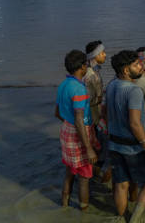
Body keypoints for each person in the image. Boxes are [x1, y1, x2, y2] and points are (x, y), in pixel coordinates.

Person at [106, 50, 145, 222]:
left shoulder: (112, 85)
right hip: (132, 146)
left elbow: (103, 112)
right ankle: (135, 219)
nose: (141, 66)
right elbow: (135, 124)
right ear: (126, 70)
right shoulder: (134, 91)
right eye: (136, 65)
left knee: (122, 184)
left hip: (114, 143)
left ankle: (121, 217)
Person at [54, 50, 99, 210]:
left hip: (66, 129)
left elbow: (57, 113)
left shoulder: (63, 85)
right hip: (78, 132)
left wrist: (70, 123)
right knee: (84, 177)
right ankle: (84, 211)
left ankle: (64, 206)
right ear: (82, 67)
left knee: (69, 172)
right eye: (86, 64)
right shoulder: (79, 89)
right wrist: (89, 149)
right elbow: (79, 119)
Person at [83, 40, 108, 179]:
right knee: (98, 145)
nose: (105, 55)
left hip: (96, 115)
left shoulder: (95, 70)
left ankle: (96, 170)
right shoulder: (90, 74)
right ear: (94, 55)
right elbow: (86, 100)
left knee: (99, 145)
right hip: (93, 117)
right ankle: (95, 173)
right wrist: (100, 99)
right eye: (102, 53)